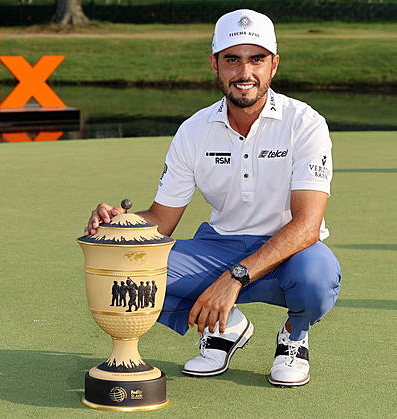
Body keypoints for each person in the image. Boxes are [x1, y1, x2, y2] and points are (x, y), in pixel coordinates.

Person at [84, 9, 341, 387]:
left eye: (257, 59)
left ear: (274, 65)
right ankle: (227, 327)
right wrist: (118, 226)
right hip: (219, 246)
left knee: (316, 279)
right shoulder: (193, 130)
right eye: (232, 60)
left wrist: (234, 279)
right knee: (128, 267)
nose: (245, 72)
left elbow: (306, 225)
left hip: (291, 254)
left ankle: (294, 335)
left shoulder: (305, 123)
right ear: (215, 65)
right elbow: (161, 218)